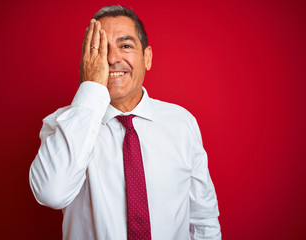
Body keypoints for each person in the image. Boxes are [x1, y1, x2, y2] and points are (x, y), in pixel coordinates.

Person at [29, 5, 221, 240]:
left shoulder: (182, 123)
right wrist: (90, 88)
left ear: (147, 57)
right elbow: (51, 193)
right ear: (88, 61)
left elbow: (203, 220)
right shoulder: (62, 124)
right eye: (100, 49)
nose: (111, 58)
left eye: (126, 46)